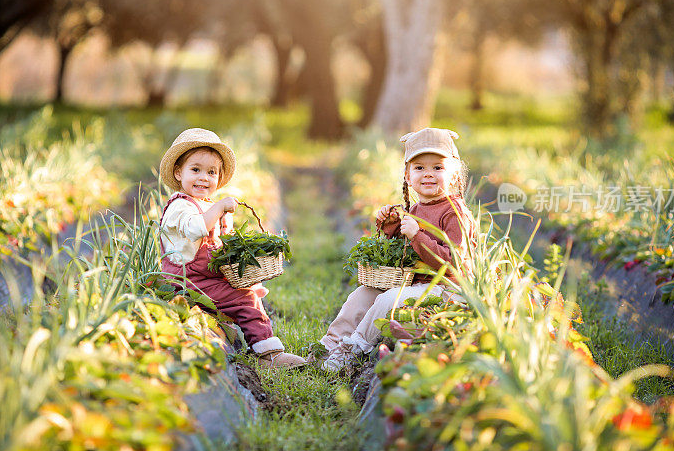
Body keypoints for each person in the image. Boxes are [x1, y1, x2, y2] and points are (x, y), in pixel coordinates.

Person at [318, 127, 477, 372]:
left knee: (388, 299)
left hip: (446, 290)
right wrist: (390, 224)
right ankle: (330, 345)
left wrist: (417, 235)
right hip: (415, 283)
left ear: (454, 174)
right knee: (363, 293)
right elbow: (404, 250)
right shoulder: (415, 209)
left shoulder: (454, 212)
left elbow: (454, 262)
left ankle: (353, 349)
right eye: (419, 168)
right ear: (407, 175)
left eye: (438, 167)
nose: (428, 174)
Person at [158, 128, 306, 369]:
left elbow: (215, 245)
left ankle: (257, 339)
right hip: (186, 280)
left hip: (204, 277)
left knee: (249, 289)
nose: (203, 178)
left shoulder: (204, 205)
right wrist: (219, 207)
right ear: (178, 172)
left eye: (211, 172)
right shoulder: (180, 207)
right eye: (195, 170)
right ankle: (268, 354)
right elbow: (198, 229)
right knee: (244, 297)